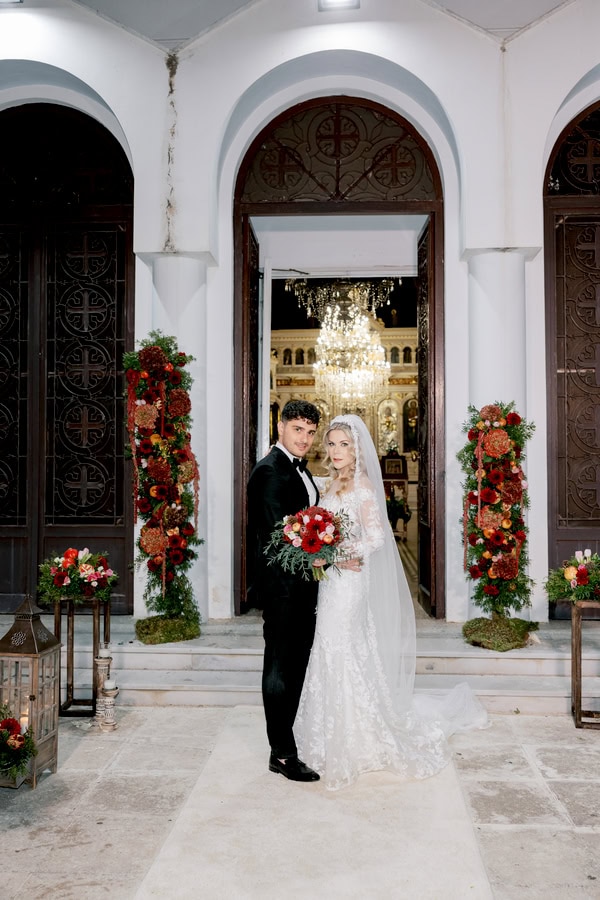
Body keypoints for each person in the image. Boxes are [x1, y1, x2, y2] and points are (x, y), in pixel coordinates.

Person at [294, 413, 488, 791]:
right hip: (331, 581)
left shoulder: (363, 486)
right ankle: (326, 730)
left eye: (343, 445)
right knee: (330, 645)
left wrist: (338, 555)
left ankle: (358, 738)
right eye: (331, 444)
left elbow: (377, 538)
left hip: (350, 579)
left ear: (357, 449)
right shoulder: (330, 483)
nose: (335, 451)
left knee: (340, 643)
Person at [246, 399, 323, 782]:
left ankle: (289, 738)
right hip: (282, 590)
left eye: (310, 433)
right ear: (281, 427)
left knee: (295, 666)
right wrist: (321, 556)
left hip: (304, 589)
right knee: (279, 667)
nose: (305, 439)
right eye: (298, 430)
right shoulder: (269, 471)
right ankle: (281, 753)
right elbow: (278, 536)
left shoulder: (299, 471)